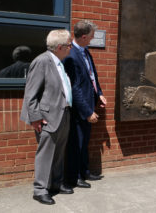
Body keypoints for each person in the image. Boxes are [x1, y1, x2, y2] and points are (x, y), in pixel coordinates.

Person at [20, 29, 74, 205]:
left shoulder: (58, 62)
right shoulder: (42, 61)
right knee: (45, 154)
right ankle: (40, 189)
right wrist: (35, 117)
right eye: (68, 45)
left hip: (63, 113)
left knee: (58, 154)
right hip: (47, 117)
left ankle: (56, 184)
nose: (70, 48)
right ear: (59, 47)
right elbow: (30, 93)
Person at [63, 20, 107, 188]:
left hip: (89, 104)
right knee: (76, 144)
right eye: (90, 37)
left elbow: (92, 76)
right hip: (79, 110)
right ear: (83, 37)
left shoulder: (85, 52)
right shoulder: (71, 56)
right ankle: (75, 177)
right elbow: (74, 88)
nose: (92, 39)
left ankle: (84, 171)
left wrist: (99, 94)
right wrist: (88, 111)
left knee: (84, 142)